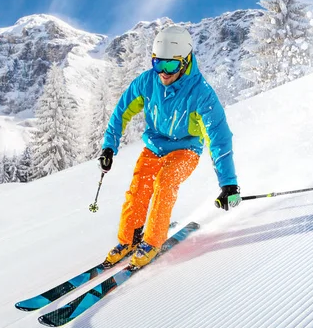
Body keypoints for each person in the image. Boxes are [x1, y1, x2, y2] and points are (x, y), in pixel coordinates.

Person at [99, 25, 241, 269]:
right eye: (158, 64)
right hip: (154, 145)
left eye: (171, 66)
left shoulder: (201, 93)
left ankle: (152, 242)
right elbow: (121, 111)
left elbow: (218, 136)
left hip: (186, 150)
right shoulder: (147, 82)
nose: (164, 73)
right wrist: (109, 147)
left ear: (185, 62)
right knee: (139, 187)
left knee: (164, 183)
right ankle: (130, 238)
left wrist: (228, 183)